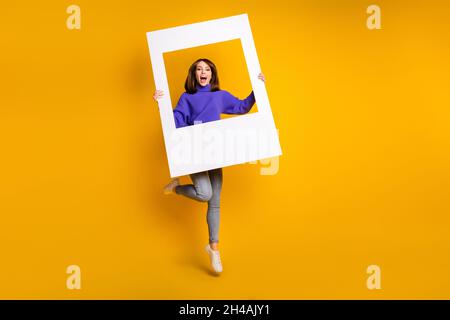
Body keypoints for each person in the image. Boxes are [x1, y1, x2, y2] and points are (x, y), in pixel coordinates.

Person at [153, 58, 266, 274]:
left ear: (212, 74)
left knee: (215, 202)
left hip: (216, 152)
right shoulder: (187, 98)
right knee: (205, 194)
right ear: (194, 74)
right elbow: (175, 121)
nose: (203, 72)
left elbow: (242, 106)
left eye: (207, 69)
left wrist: (258, 88)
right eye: (199, 69)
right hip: (194, 152)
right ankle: (176, 188)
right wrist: (160, 103)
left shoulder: (219, 96)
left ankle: (214, 249)